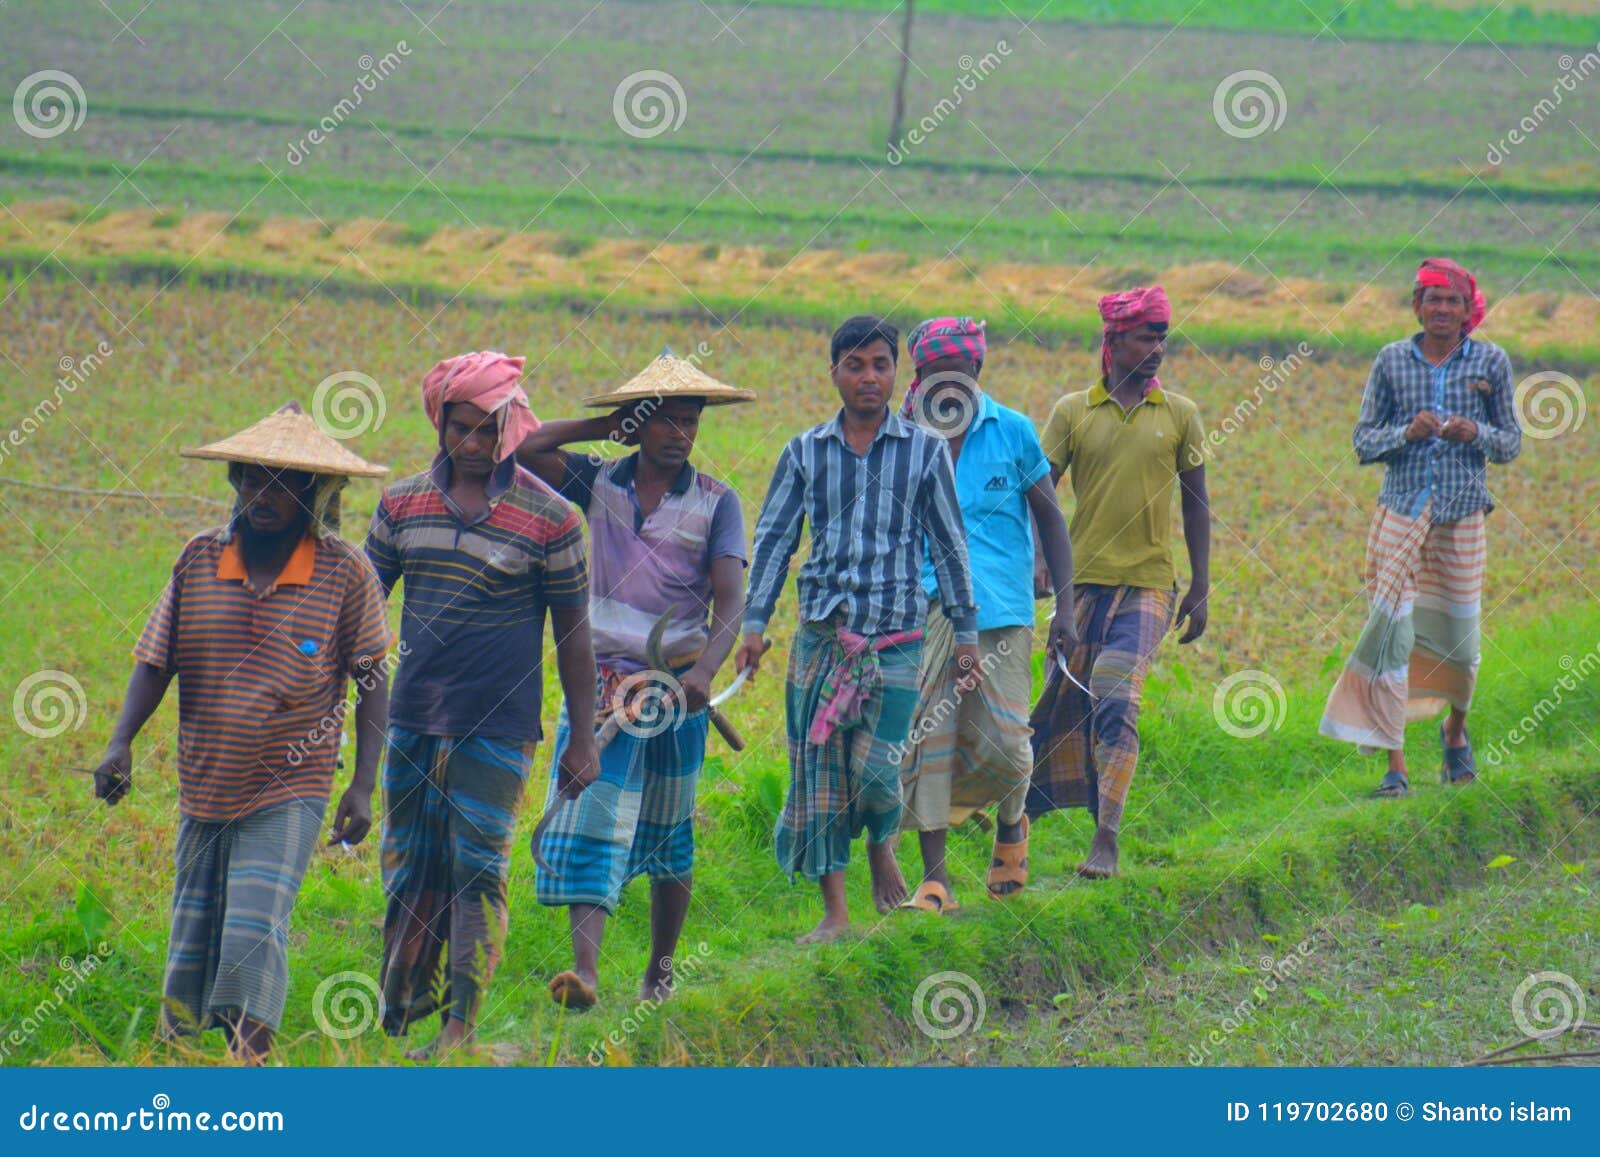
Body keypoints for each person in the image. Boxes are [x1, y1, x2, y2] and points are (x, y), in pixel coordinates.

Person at [92, 402, 391, 1063]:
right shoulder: (201, 558)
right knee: (195, 922)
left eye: (283, 483)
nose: (263, 496)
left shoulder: (346, 573)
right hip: (205, 776)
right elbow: (155, 658)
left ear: (312, 493)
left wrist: (364, 786)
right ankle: (179, 1052)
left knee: (257, 922)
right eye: (251, 479)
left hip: (293, 782)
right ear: (234, 482)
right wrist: (120, 742)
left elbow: (373, 679)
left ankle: (249, 1063)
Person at [364, 351, 597, 1055]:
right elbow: (363, 606)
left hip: (498, 724)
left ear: (508, 427)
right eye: (459, 428)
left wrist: (581, 739)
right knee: (408, 863)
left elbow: (575, 638)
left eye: (486, 429)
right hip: (411, 716)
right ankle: (403, 1005)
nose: (472, 444)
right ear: (440, 423)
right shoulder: (400, 503)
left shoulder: (551, 517)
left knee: (479, 869)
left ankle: (460, 1025)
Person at [516, 350, 752, 1007]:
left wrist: (707, 668)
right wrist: (601, 428)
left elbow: (732, 601)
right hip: (601, 684)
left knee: (669, 829)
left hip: (678, 690)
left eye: (690, 421)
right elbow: (526, 446)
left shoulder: (717, 503)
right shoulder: (597, 482)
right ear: (639, 422)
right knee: (591, 808)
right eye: (665, 420)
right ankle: (585, 972)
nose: (679, 433)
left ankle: (660, 967)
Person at [736, 315, 978, 943]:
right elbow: (774, 541)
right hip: (823, 636)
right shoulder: (804, 452)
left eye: (880, 364)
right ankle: (836, 915)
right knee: (819, 774)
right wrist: (755, 623)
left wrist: (967, 634)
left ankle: (881, 846)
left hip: (896, 637)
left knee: (875, 770)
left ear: (898, 375)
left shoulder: (924, 451)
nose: (868, 377)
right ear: (834, 374)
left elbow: (950, 547)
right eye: (855, 365)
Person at [1320, 258, 1521, 796]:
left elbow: (1510, 442)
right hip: (1400, 514)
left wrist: (1472, 431)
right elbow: (1364, 441)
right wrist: (1406, 433)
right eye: (1432, 299)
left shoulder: (1491, 362)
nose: (1442, 309)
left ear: (1466, 310)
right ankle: (1396, 766)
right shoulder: (1391, 361)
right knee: (1392, 631)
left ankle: (1454, 732)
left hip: (1461, 518)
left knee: (1459, 639)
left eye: (1452, 300)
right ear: (1416, 307)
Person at [894, 317, 1076, 912]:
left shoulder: (1015, 432)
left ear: (978, 371)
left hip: (1001, 608)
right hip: (924, 604)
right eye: (931, 375)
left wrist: (1065, 609)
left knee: (1005, 741)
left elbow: (1051, 518)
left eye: (957, 374)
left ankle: (1013, 821)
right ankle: (935, 878)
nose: (945, 386)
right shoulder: (903, 436)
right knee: (929, 737)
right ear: (917, 378)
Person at [1030, 286, 1211, 878]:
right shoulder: (1072, 411)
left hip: (1150, 585)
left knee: (1115, 697)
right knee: (1065, 705)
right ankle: (1016, 811)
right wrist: (1039, 565)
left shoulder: (1181, 414)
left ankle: (1106, 836)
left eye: (1162, 336)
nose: (1157, 348)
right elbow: (1041, 494)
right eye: (1145, 336)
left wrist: (1201, 585)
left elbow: (1197, 505)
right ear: (1113, 342)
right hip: (1080, 586)